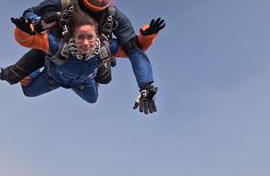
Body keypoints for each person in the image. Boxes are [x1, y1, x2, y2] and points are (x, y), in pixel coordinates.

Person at [0, 0, 165, 112]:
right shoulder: (64, 2)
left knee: (99, 86)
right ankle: (31, 72)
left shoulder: (113, 16)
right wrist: (36, 23)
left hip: (88, 67)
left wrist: (146, 86)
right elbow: (29, 13)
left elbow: (134, 49)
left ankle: (88, 75)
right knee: (16, 79)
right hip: (55, 52)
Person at [13, 6, 160, 113]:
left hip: (83, 81)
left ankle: (96, 73)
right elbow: (29, 39)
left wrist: (146, 36)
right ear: (72, 36)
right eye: (80, 37)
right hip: (54, 77)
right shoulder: (57, 44)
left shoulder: (106, 47)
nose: (85, 43)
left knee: (92, 99)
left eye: (90, 37)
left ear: (97, 36)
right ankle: (35, 68)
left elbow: (133, 49)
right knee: (28, 91)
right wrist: (28, 28)